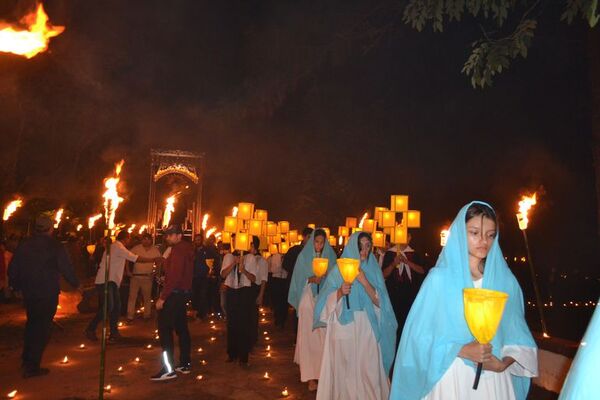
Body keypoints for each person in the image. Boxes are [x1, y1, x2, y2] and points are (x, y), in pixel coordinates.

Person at [390, 202, 538, 400]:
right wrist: (460, 350)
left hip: (494, 382)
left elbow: (518, 334)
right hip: (451, 376)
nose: (483, 240)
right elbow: (418, 338)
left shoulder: (505, 281)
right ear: (460, 232)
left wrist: (502, 364)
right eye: (474, 233)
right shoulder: (439, 280)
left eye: (490, 234)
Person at [314, 232, 397, 399]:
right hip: (345, 326)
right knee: (347, 374)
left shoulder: (373, 268)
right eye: (360, 246)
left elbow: (382, 303)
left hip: (367, 327)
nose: (364, 251)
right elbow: (323, 302)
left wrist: (365, 281)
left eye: (367, 246)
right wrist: (339, 292)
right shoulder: (339, 269)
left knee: (370, 371)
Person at [8, 215, 80, 378]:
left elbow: (13, 267)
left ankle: (27, 360)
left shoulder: (24, 244)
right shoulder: (55, 246)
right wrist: (76, 283)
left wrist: (15, 286)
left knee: (32, 324)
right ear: (50, 228)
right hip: (47, 292)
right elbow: (66, 267)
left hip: (30, 292)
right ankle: (32, 366)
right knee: (42, 328)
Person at [288, 229, 337, 392]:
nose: (319, 245)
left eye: (322, 242)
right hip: (307, 298)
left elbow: (336, 278)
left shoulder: (330, 257)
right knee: (309, 338)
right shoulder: (303, 257)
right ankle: (310, 376)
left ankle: (322, 374)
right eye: (317, 241)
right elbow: (296, 279)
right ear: (312, 241)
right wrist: (311, 278)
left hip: (323, 301)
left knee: (323, 338)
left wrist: (326, 278)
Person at [86, 231, 158, 342]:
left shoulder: (116, 247)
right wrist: (153, 259)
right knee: (108, 307)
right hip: (106, 280)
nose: (129, 241)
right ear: (126, 238)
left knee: (116, 307)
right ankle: (91, 329)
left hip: (112, 281)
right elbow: (135, 258)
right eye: (129, 239)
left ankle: (114, 333)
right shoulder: (118, 247)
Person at [151, 225, 195, 381]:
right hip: (182, 294)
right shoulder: (187, 249)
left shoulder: (177, 250)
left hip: (174, 295)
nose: (167, 238)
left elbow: (175, 275)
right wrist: (167, 279)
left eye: (170, 235)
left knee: (164, 329)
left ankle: (168, 369)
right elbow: (180, 274)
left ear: (179, 235)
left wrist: (162, 297)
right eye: (167, 235)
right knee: (182, 328)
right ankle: (184, 363)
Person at [381, 233, 426, 346]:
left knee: (408, 324)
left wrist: (407, 262)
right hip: (394, 293)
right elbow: (383, 275)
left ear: (410, 238)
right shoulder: (390, 254)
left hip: (410, 294)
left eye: (407, 236)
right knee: (394, 324)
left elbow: (422, 270)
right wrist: (393, 264)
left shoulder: (414, 254)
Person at [220, 234, 258, 367]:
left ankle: (243, 356)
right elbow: (223, 274)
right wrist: (234, 263)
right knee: (232, 323)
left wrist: (244, 270)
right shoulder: (228, 256)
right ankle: (232, 353)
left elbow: (254, 279)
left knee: (244, 323)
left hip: (244, 291)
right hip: (231, 290)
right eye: (235, 240)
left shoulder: (250, 258)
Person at [126, 233, 161, 322]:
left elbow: (159, 262)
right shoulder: (136, 248)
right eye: (144, 239)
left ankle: (147, 315)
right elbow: (127, 258)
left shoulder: (155, 250)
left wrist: (155, 272)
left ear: (151, 240)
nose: (145, 241)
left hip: (147, 277)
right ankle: (130, 316)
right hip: (135, 276)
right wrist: (128, 271)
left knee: (147, 297)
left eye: (147, 239)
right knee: (132, 296)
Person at [249, 237, 268, 347]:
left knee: (254, 314)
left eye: (251, 246)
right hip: (247, 288)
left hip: (256, 288)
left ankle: (254, 336)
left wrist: (261, 294)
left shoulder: (262, 261)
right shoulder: (247, 258)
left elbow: (264, 279)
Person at [268, 248, 288, 328]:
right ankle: (277, 319)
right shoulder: (275, 256)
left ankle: (283, 320)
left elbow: (287, 270)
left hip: (284, 280)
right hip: (276, 280)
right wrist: (281, 263)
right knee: (277, 300)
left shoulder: (287, 256)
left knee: (284, 301)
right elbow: (273, 270)